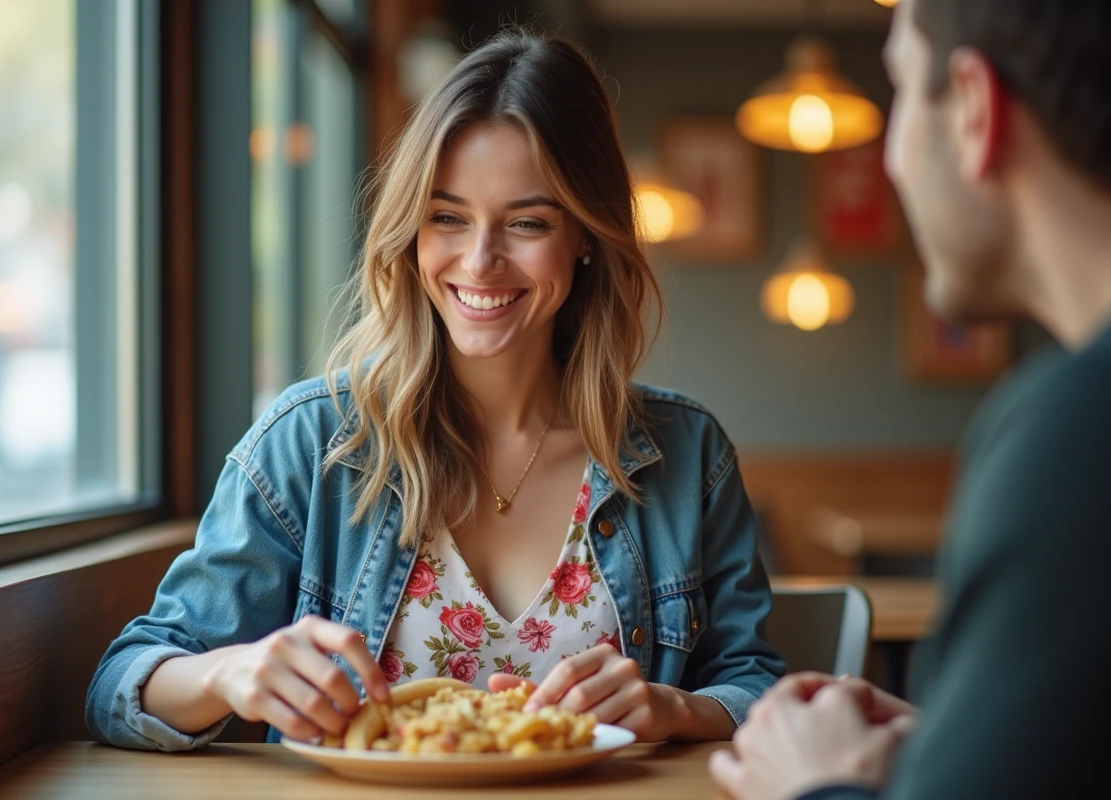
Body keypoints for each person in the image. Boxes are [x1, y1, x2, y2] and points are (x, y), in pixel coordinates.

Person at [86, 29, 783, 751]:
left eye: (527, 223)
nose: (480, 261)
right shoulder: (308, 443)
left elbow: (755, 683)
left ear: (585, 236)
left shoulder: (688, 452)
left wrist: (676, 709)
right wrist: (229, 672)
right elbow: (119, 687)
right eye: (447, 217)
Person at [710, 0, 1111, 797]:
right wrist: (951, 746)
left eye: (897, 94)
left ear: (974, 109)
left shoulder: (1078, 430)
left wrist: (817, 783)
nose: (891, 162)